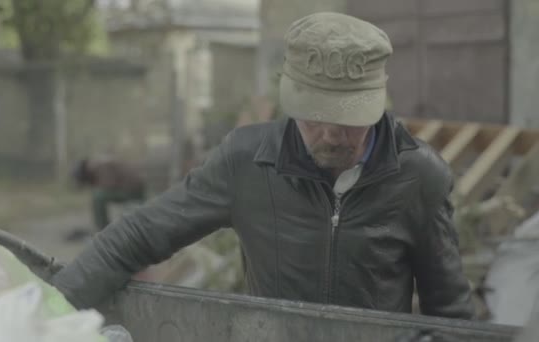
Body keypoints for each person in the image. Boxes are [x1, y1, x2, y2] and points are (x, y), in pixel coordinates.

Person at [53, 12, 474, 319]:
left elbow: (450, 312)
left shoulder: (419, 176)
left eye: (346, 121)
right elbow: (140, 235)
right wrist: (46, 311)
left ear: (375, 105)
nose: (329, 136)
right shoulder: (247, 162)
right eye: (314, 118)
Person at [71, 156, 146, 231]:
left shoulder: (101, 166)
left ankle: (103, 230)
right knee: (97, 194)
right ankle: (102, 228)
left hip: (133, 191)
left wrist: (96, 186)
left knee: (98, 197)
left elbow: (109, 185)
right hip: (131, 189)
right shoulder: (99, 163)